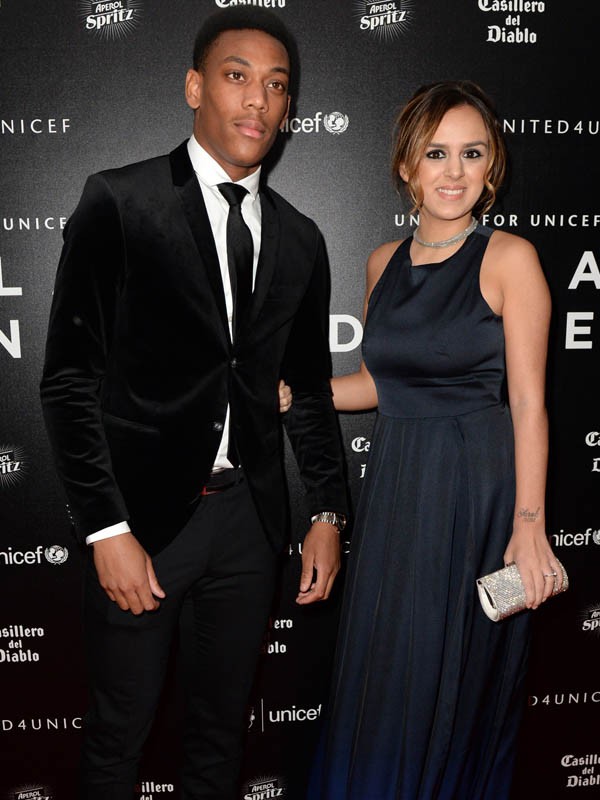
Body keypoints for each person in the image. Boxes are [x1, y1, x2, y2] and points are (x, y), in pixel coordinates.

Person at [39, 8, 348, 799]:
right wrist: (106, 528)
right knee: (118, 735)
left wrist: (326, 511)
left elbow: (309, 388)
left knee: (220, 737)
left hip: (250, 524)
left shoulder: (301, 238)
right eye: (237, 76)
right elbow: (69, 380)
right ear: (194, 87)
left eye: (276, 86)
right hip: (142, 523)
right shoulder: (120, 200)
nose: (258, 100)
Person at [309, 81, 561, 799]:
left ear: (492, 167)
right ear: (406, 165)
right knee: (387, 669)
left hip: (473, 492)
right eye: (436, 153)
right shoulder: (382, 262)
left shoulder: (509, 258)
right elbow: (377, 384)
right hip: (397, 486)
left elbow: (529, 405)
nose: (454, 172)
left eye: (471, 154)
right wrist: (293, 392)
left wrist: (529, 525)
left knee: (453, 676)